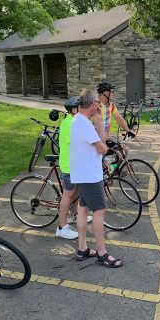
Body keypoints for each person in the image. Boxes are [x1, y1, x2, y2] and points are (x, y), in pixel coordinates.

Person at [70, 89, 122, 268]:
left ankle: (82, 247)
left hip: (84, 173)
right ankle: (102, 253)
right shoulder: (83, 123)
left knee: (83, 209)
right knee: (99, 212)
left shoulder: (79, 120)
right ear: (92, 104)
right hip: (90, 176)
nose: (99, 107)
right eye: (97, 105)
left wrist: (99, 122)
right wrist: (99, 124)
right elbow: (103, 147)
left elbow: (100, 141)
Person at [54, 97, 81, 240]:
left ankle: (76, 215)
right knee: (68, 194)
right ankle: (62, 227)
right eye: (79, 107)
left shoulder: (75, 121)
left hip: (75, 164)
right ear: (73, 109)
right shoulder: (68, 123)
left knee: (76, 191)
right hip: (69, 165)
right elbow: (76, 144)